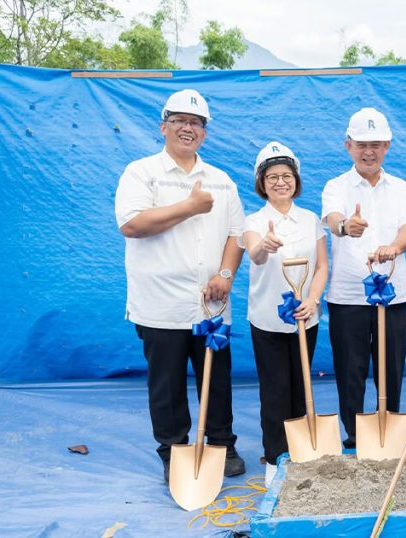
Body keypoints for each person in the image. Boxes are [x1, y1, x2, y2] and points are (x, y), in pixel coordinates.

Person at [114, 89, 246, 483]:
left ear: (205, 132)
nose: (188, 129)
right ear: (164, 127)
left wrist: (225, 275)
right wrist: (189, 207)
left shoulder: (221, 181)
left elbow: (237, 234)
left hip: (211, 305)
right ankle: (174, 450)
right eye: (180, 121)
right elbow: (132, 224)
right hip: (161, 303)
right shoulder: (142, 173)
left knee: (216, 378)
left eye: (196, 123)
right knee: (167, 384)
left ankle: (222, 443)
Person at [321, 108, 406, 450]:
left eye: (376, 144)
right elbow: (334, 220)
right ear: (348, 145)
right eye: (362, 144)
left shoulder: (400, 187)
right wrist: (345, 226)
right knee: (351, 369)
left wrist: (395, 247)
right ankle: (354, 435)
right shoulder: (336, 186)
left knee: (391, 367)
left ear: (387, 146)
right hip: (348, 296)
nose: (369, 152)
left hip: (393, 294)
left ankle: (388, 430)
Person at [241, 142, 327, 484]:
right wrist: (264, 245)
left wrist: (314, 299)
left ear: (296, 180)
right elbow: (254, 254)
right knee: (275, 388)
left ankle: (301, 451)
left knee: (301, 384)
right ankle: (276, 457)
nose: (280, 182)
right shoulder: (254, 221)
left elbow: (321, 266)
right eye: (273, 177)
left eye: (286, 176)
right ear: (262, 183)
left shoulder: (310, 220)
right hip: (267, 319)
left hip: (306, 316)